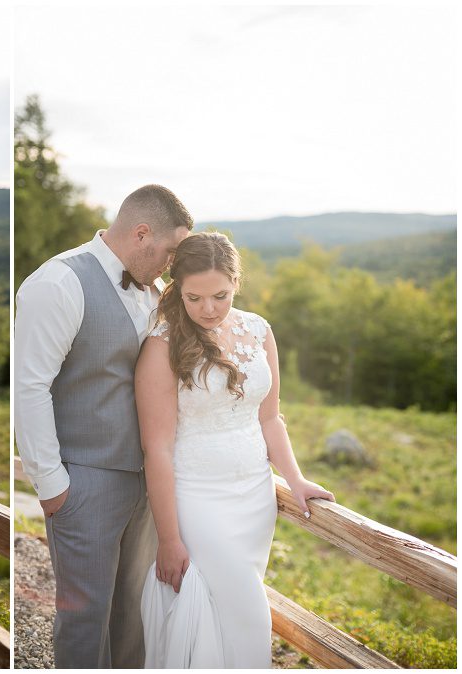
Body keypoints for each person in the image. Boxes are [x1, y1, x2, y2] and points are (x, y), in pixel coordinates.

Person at [135, 232, 335, 668]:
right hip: (197, 500)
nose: (208, 309)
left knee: (226, 615)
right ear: (178, 289)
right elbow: (157, 450)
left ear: (236, 283)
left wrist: (296, 480)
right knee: (249, 614)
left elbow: (269, 418)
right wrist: (169, 538)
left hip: (255, 499)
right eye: (194, 298)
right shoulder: (162, 346)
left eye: (220, 296)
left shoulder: (258, 330)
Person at [14, 184, 192, 669]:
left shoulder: (153, 292)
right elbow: (28, 387)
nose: (173, 264)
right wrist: (52, 488)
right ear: (141, 234)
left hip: (145, 485)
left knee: (133, 617)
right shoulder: (59, 283)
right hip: (85, 482)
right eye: (171, 251)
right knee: (85, 621)